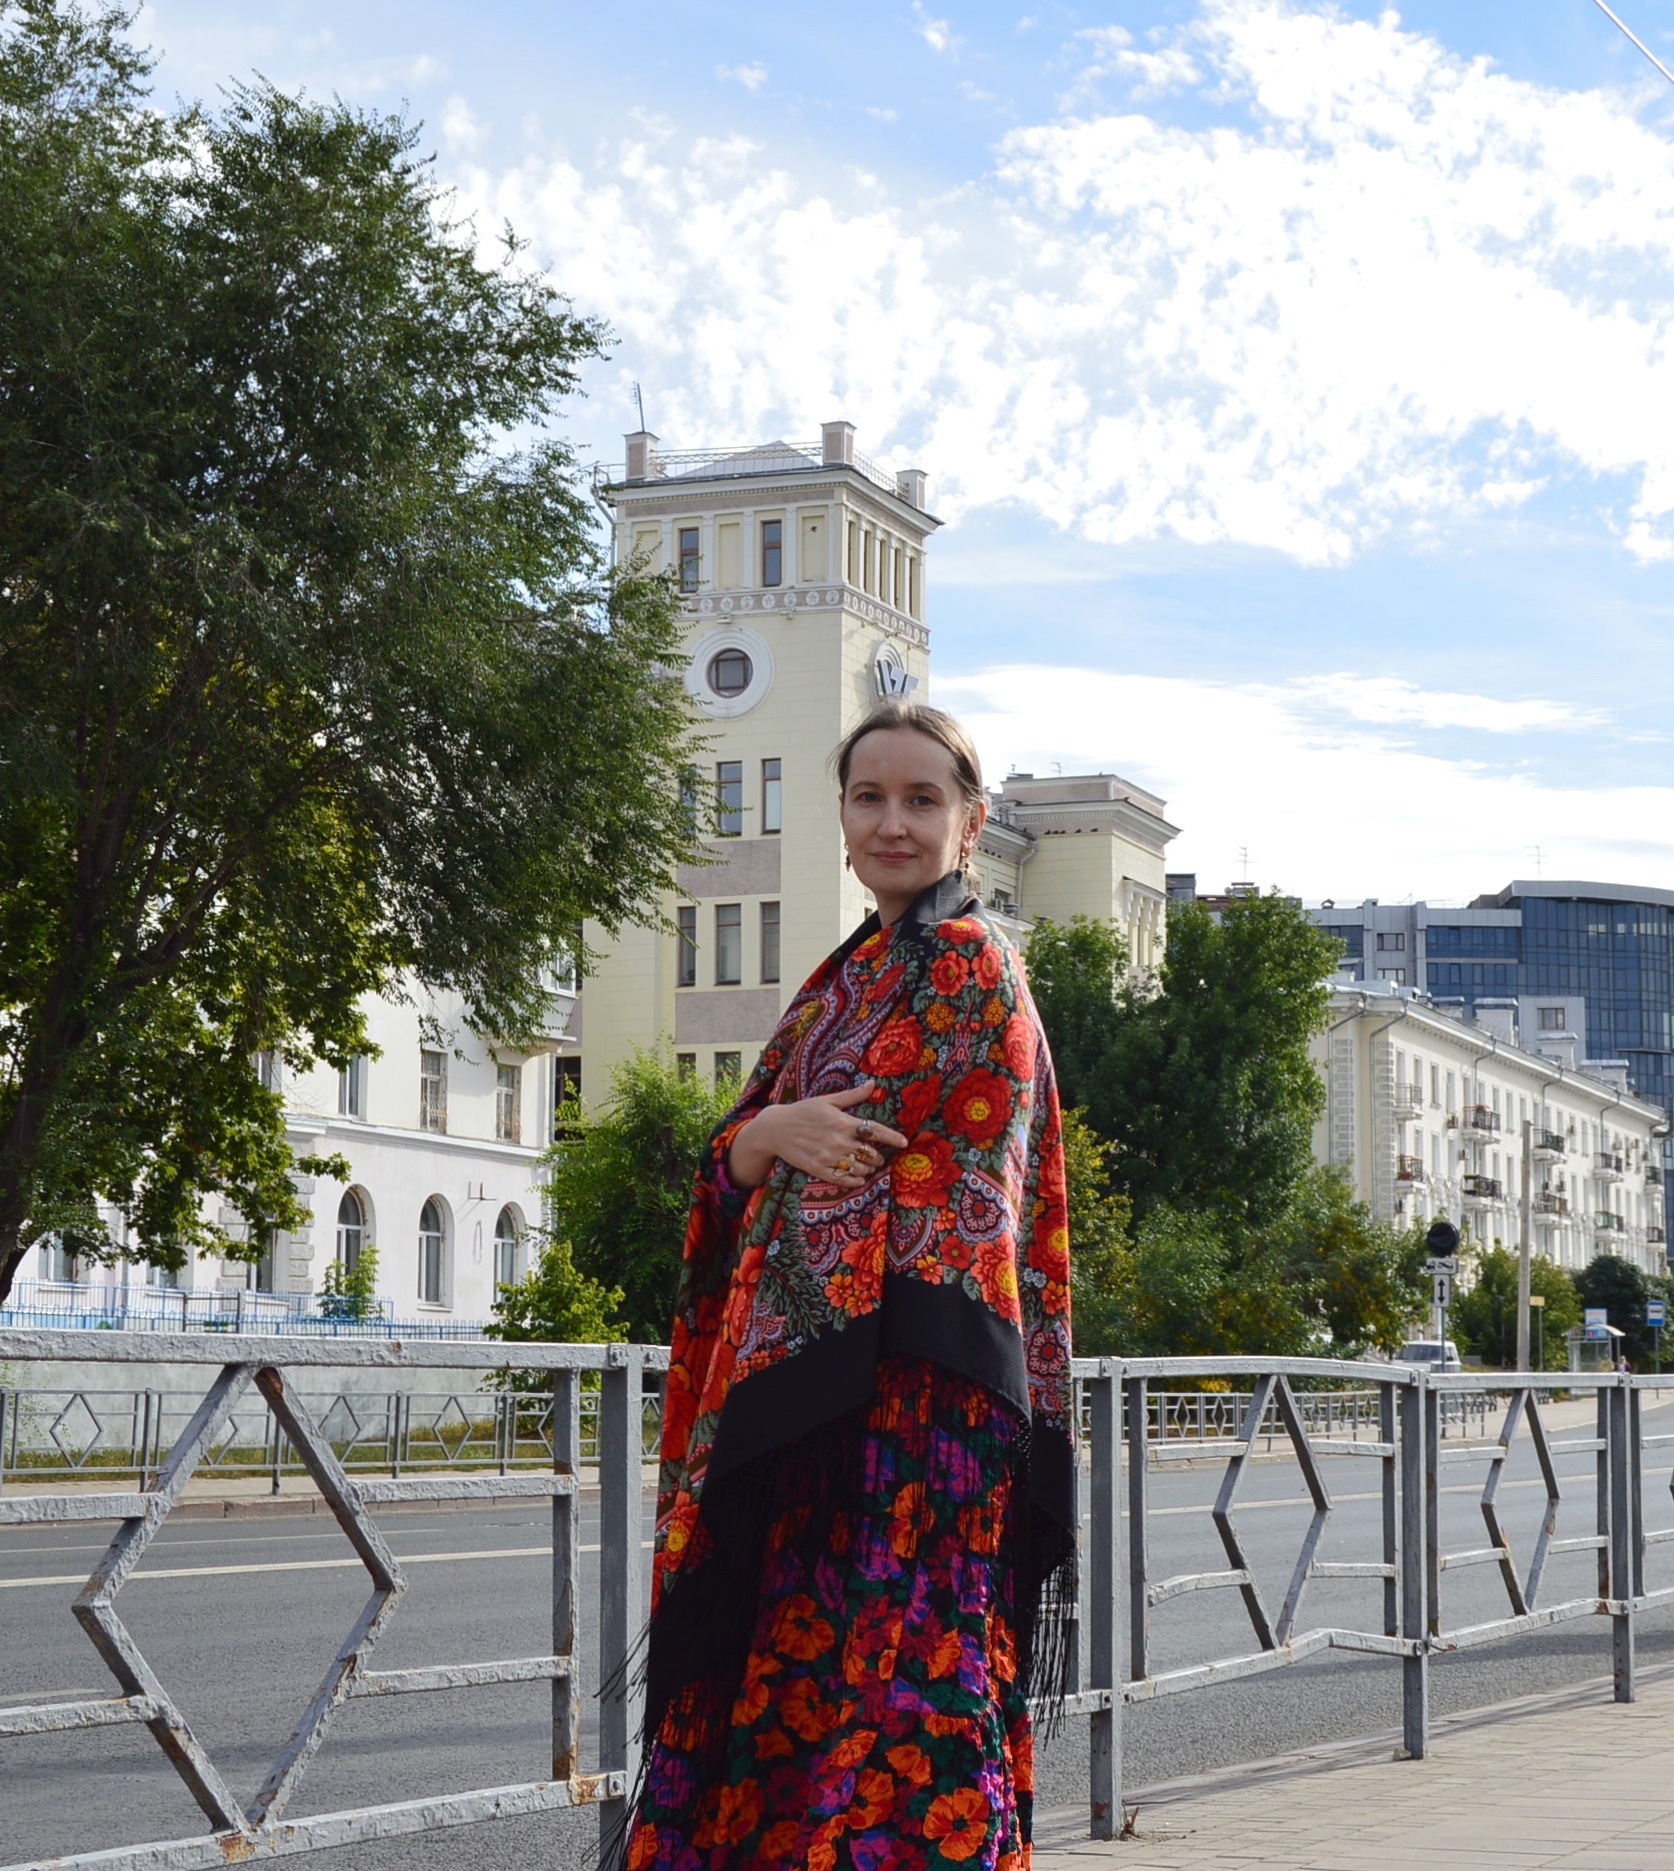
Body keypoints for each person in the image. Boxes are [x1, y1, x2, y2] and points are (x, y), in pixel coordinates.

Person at [623, 702, 1075, 1871]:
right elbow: (751, 1152)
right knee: (809, 1680)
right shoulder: (851, 974)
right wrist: (763, 1133)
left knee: (905, 1688)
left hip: (919, 1406)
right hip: (827, 1402)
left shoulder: (968, 963)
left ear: (971, 822)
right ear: (839, 816)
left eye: (923, 799)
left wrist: (763, 1139)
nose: (892, 822)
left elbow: (873, 1152)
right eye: (870, 797)